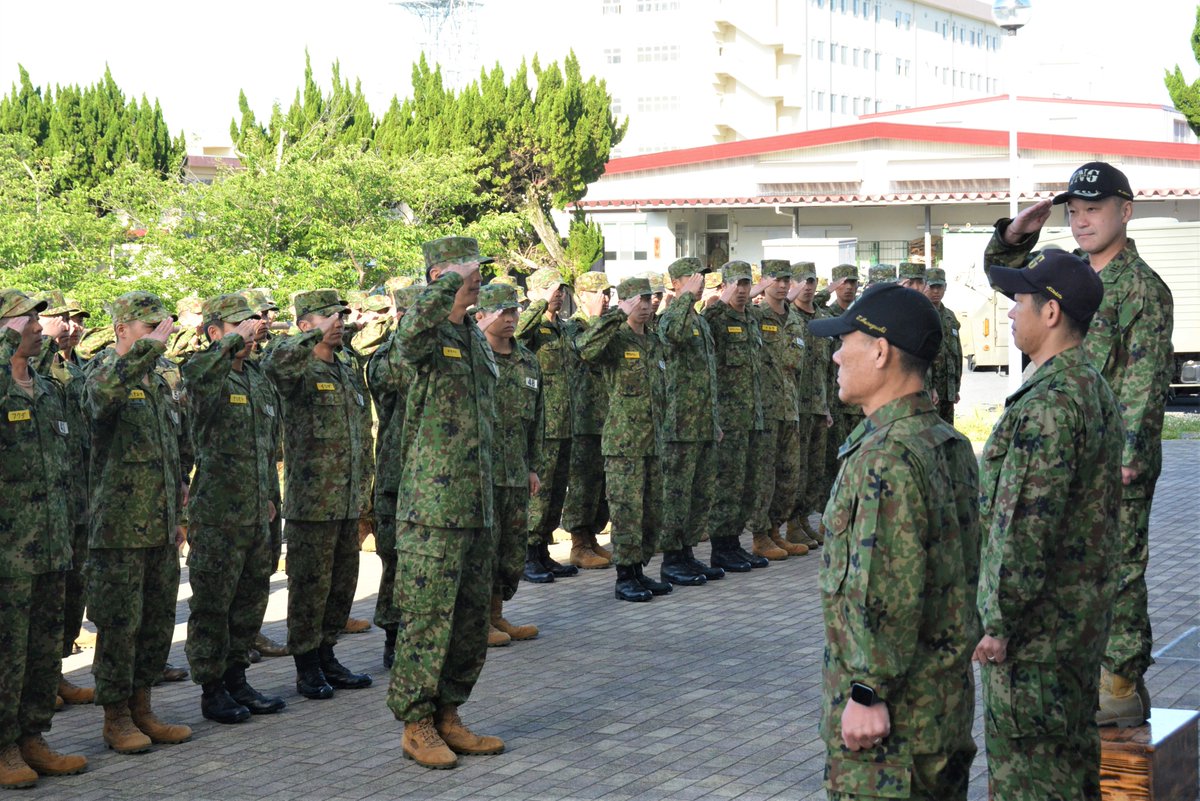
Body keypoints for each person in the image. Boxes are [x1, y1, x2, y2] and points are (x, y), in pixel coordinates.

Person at [984, 161, 1174, 727]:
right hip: (1059, 447)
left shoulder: (1141, 288)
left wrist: (1129, 461)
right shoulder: (1068, 272)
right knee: (1071, 565)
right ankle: (1085, 666)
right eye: (1074, 212)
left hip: (1109, 456)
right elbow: (1007, 280)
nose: (1082, 221)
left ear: (1125, 211)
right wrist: (1014, 238)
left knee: (1120, 563)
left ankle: (1119, 675)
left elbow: (1145, 383)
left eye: (1094, 209)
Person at [809, 284, 980, 800]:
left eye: (846, 340)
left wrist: (866, 692)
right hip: (938, 717)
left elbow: (884, 588)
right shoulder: (946, 443)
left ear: (881, 351)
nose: (836, 354)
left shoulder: (885, 457)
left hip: (891, 737)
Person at [976, 249, 1122, 800]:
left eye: (1020, 300)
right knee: (1069, 771)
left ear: (1052, 312)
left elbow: (1023, 527)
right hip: (1074, 626)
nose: (1012, 312)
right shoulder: (1090, 387)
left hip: (1037, 640)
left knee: (1032, 781)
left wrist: (997, 620)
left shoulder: (1050, 404)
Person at [386, 236, 503, 770]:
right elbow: (405, 342)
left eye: (478, 267)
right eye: (465, 268)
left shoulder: (473, 337)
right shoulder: (425, 333)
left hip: (476, 501)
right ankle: (417, 723)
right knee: (427, 617)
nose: (477, 275)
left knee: (470, 617)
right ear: (437, 276)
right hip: (433, 507)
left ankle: (450, 713)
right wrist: (442, 287)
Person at [84, 291, 192, 754]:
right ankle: (116, 717)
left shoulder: (162, 378)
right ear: (120, 331)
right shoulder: (100, 373)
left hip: (162, 524)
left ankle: (143, 706)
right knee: (119, 625)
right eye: (149, 329)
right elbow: (99, 402)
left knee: (155, 622)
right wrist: (146, 353)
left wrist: (181, 513)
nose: (159, 338)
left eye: (160, 328)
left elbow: (176, 453)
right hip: (119, 530)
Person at [183, 294, 287, 724]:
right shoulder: (206, 371)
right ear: (214, 332)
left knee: (249, 602)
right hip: (217, 514)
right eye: (238, 325)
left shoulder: (258, 378)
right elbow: (197, 378)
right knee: (213, 606)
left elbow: (265, 449)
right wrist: (227, 347)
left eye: (252, 323)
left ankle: (237, 677)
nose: (250, 331)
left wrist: (267, 496)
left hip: (255, 512)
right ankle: (212, 690)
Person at [264, 289, 372, 701]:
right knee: (309, 587)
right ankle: (306, 665)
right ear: (305, 325)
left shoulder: (345, 369)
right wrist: (307, 336)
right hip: (313, 503)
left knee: (342, 585)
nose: (340, 321)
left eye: (342, 314)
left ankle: (328, 655)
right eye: (329, 315)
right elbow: (275, 363)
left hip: (346, 501)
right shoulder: (299, 370)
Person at [0, 291, 87, 788]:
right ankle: (5, 746)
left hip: (53, 546)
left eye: (38, 317)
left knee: (42, 652)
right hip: (10, 553)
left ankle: (34, 737)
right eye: (26, 318)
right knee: (7, 656)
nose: (38, 325)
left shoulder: (48, 389)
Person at [578, 276, 671, 602]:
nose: (644, 306)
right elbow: (586, 349)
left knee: (651, 512)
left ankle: (639, 570)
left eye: (648, 299)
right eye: (637, 300)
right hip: (624, 444)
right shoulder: (615, 339)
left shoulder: (655, 340)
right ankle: (624, 576)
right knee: (627, 512)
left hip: (654, 443)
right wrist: (616, 314)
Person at [31, 292, 94, 704]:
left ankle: (57, 673)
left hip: (80, 496)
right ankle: (38, 681)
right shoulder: (35, 366)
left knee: (74, 592)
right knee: (42, 602)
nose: (72, 326)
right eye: (62, 318)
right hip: (47, 501)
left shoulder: (83, 365)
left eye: (75, 320)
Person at [474, 283, 543, 645]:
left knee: (510, 550)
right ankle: (476, 622)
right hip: (480, 471)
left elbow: (537, 419)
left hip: (515, 470)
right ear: (481, 315)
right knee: (482, 549)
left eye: (514, 311)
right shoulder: (473, 357)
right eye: (503, 312)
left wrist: (533, 466)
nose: (511, 317)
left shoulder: (527, 359)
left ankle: (496, 615)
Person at [656, 258, 725, 586]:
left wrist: (715, 421)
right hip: (680, 426)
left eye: (703, 278)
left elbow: (708, 375)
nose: (700, 283)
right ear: (676, 283)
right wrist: (686, 297)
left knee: (699, 494)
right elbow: (673, 334)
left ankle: (686, 553)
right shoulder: (672, 314)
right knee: (677, 494)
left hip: (702, 424)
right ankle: (671, 559)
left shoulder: (698, 318)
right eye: (693, 278)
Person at [366, 284, 422, 668]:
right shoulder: (388, 357)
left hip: (435, 478)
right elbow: (397, 377)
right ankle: (393, 635)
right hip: (397, 477)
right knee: (397, 561)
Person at [516, 268, 581, 580]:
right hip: (544, 424)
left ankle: (543, 550)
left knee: (556, 493)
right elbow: (516, 334)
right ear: (535, 292)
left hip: (566, 422)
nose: (559, 294)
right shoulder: (533, 325)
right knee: (539, 493)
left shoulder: (563, 328)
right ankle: (527, 554)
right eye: (553, 289)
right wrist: (537, 304)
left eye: (561, 289)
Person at [703, 262, 768, 572]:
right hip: (728, 420)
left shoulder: (751, 319)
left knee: (746, 483)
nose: (742, 290)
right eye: (737, 284)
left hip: (751, 416)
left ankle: (734, 544)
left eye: (746, 284)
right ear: (725, 285)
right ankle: (720, 547)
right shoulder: (716, 318)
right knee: (726, 484)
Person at [745, 260, 808, 561]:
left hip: (789, 406)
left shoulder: (794, 318)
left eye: (786, 280)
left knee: (788, 474)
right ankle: (760, 535)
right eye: (776, 280)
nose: (782, 286)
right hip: (766, 409)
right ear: (765, 282)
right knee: (764, 476)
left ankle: (775, 531)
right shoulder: (755, 316)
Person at [560, 269, 615, 569]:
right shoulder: (575, 328)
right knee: (582, 483)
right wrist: (598, 320)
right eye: (599, 293)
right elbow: (586, 352)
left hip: (605, 415)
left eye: (608, 293)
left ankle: (592, 537)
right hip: (582, 418)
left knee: (600, 482)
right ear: (582, 296)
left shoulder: (602, 325)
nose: (605, 299)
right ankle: (578, 543)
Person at [785, 264, 832, 551]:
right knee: (796, 469)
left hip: (818, 405)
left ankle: (803, 520)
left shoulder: (821, 319)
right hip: (796, 407)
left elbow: (827, 369)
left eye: (812, 281)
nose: (808, 286)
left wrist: (826, 405)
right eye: (802, 281)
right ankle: (791, 522)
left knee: (815, 469)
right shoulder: (790, 318)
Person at [922, 269, 962, 424]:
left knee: (948, 433)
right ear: (925, 287)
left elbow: (956, 352)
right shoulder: (922, 314)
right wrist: (930, 387)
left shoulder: (949, 316)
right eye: (932, 287)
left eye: (939, 287)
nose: (936, 291)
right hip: (930, 390)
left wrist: (956, 387)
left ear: (945, 287)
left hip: (948, 390)